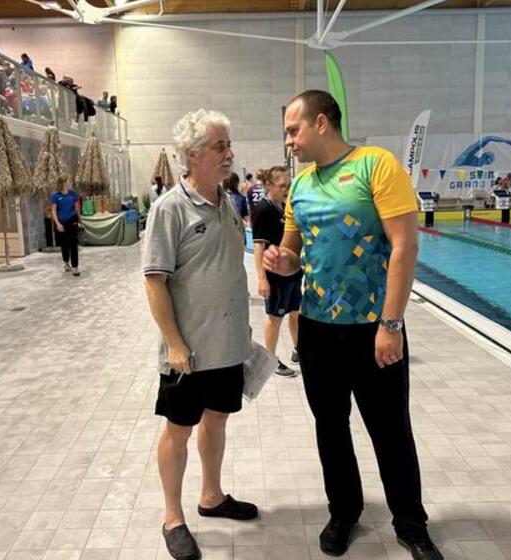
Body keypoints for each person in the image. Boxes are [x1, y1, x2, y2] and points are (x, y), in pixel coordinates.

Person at [264, 90, 442, 560]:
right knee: (330, 428)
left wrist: (391, 323)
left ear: (322, 123)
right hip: (317, 331)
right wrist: (280, 262)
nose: (289, 141)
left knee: (390, 430)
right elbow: (293, 255)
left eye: (293, 130)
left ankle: (411, 524)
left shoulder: (376, 165)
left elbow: (404, 246)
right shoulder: (300, 186)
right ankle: (343, 512)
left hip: (373, 328)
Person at [142, 109, 258, 560]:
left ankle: (211, 496)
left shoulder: (227, 202)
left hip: (227, 345)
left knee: (217, 419)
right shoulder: (170, 208)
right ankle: (173, 517)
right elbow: (155, 282)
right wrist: (174, 343)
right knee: (178, 430)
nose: (229, 153)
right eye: (220, 146)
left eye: (228, 145)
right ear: (193, 155)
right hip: (187, 352)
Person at [252, 165, 300, 377]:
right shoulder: (263, 210)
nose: (286, 189)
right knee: (275, 317)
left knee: (296, 312)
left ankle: (298, 350)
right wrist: (262, 278)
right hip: (274, 275)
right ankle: (270, 361)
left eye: (289, 185)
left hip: (291, 273)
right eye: (282, 186)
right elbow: (258, 247)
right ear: (269, 185)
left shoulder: (284, 207)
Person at [50, 174, 81, 276]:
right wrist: (58, 223)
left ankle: (75, 267)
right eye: (69, 181)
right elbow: (53, 211)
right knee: (64, 245)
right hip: (61, 222)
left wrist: (81, 221)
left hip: (72, 220)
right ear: (63, 183)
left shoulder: (74, 194)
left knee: (74, 244)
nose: (71, 183)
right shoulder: (55, 195)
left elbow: (77, 209)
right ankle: (66, 262)